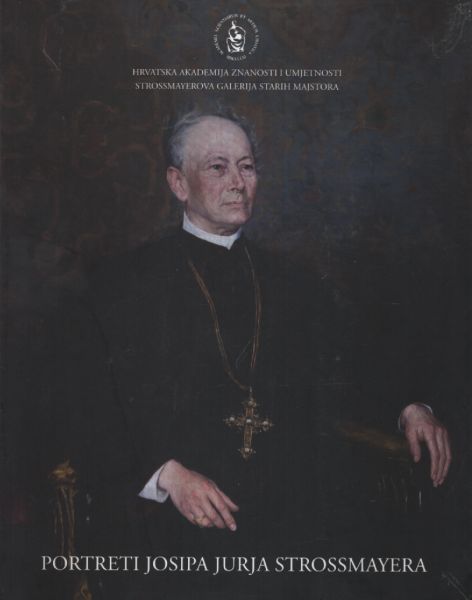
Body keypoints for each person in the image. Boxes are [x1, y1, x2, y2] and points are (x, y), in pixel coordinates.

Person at [45, 106, 452, 598]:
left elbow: (350, 364)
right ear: (178, 183)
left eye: (247, 166)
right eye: (218, 167)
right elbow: (89, 407)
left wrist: (409, 407)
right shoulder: (122, 285)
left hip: (290, 519)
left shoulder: (295, 282)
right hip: (174, 523)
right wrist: (168, 475)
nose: (237, 182)